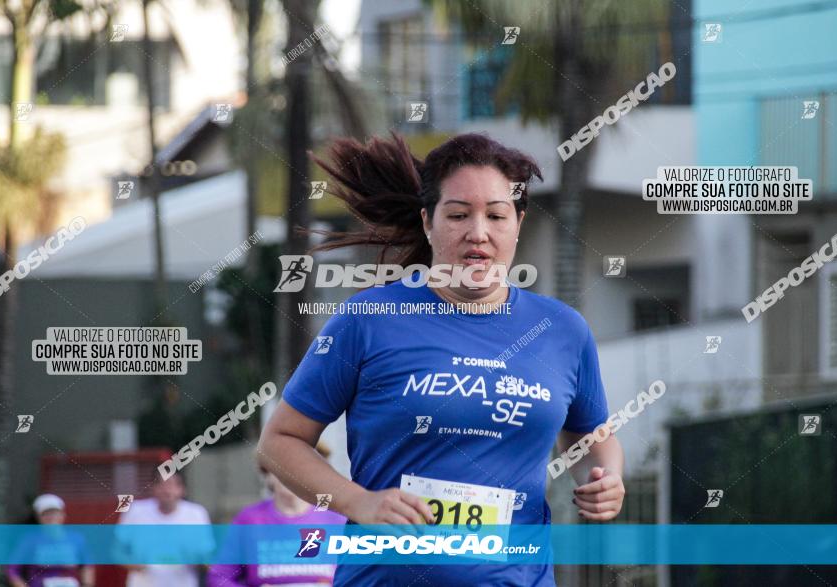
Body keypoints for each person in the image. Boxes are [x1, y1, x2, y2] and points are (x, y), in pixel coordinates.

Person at [259, 132, 625, 586]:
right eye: (457, 215)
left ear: (518, 222)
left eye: (496, 214)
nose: (478, 233)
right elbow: (279, 442)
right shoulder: (369, 319)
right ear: (428, 222)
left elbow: (592, 437)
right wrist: (359, 503)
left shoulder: (563, 331)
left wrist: (606, 479)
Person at [206, 441, 346, 586]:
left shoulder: (337, 519)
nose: (291, 474)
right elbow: (219, 578)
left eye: (301, 466)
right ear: (266, 474)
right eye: (283, 466)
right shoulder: (249, 519)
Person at [116, 472, 213, 587]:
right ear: (153, 487)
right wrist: (133, 564)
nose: (166, 490)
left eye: (171, 484)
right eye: (162, 484)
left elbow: (207, 558)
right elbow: (117, 551)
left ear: (182, 489)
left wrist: (196, 560)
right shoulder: (136, 511)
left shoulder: (197, 514)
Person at [7, 494, 95, 587]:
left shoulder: (76, 539)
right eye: (46, 514)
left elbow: (87, 566)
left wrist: (87, 584)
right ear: (39, 518)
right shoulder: (29, 541)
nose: (52, 517)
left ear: (63, 515)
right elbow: (13, 570)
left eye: (55, 513)